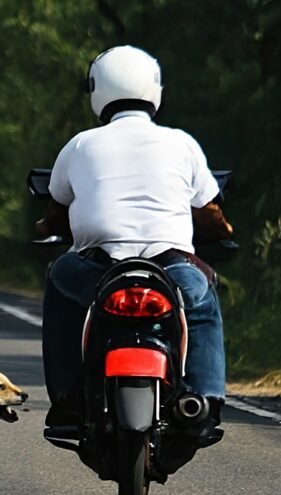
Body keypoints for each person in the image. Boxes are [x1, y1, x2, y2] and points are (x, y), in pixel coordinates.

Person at [37, 45, 233, 465]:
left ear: (96, 90)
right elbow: (210, 212)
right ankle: (207, 397)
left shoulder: (80, 144)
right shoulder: (182, 143)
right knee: (202, 302)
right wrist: (225, 231)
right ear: (155, 88)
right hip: (172, 269)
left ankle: (68, 396)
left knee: (59, 282)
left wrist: (45, 228)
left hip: (98, 268)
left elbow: (55, 209)